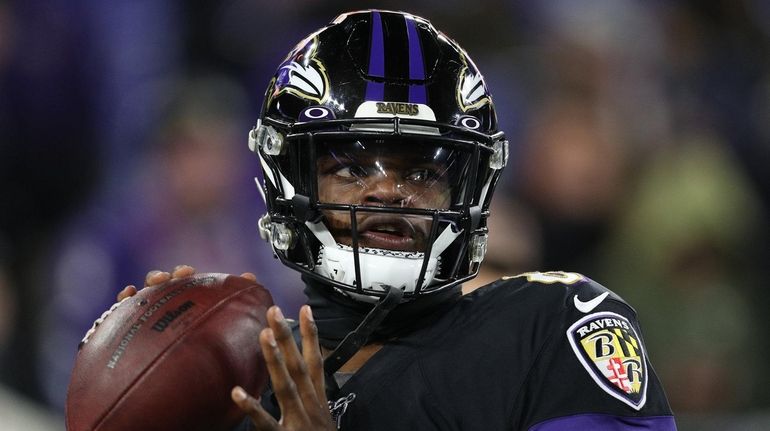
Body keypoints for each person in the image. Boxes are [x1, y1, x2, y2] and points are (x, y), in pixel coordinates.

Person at [118, 10, 677, 430]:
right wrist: (154, 380)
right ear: (290, 180)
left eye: (421, 172)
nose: (388, 190)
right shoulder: (241, 373)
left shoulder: (550, 331)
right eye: (353, 167)